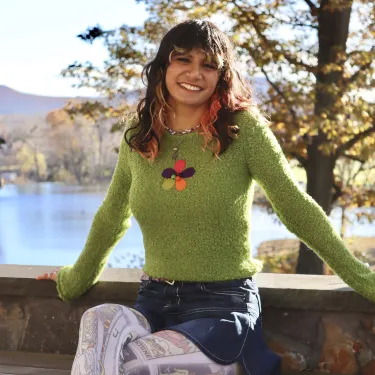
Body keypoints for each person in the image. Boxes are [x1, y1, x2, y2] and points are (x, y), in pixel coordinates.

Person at [37, 19, 375, 375]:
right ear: (163, 68)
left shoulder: (243, 130)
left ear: (221, 75)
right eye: (183, 60)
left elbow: (295, 207)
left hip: (222, 307)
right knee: (98, 320)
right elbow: (111, 216)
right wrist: (74, 280)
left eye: (208, 65)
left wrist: (365, 280)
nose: (195, 73)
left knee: (131, 362)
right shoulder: (139, 137)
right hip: (154, 302)